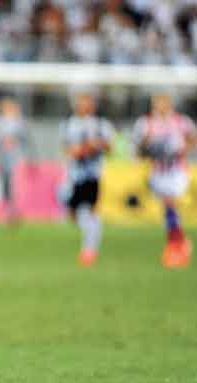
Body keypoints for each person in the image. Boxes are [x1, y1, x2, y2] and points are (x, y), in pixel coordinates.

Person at [133, 92, 197, 268]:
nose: (161, 106)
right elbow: (138, 151)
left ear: (169, 104)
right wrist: (146, 146)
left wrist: (183, 149)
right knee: (168, 209)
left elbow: (193, 139)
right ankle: (180, 243)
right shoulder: (145, 123)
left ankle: (175, 246)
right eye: (157, 103)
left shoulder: (180, 121)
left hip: (176, 171)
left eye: (164, 103)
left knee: (170, 204)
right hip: (157, 172)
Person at [60, 91, 113, 266]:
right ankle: (92, 236)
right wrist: (83, 148)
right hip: (74, 175)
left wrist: (98, 145)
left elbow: (110, 147)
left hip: (92, 174)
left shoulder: (101, 124)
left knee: (89, 210)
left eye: (87, 101)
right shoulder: (69, 124)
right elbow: (67, 149)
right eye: (81, 101)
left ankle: (89, 249)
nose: (85, 105)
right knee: (73, 213)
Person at [0, 97, 31, 223]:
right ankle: (9, 211)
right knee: (6, 187)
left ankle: (13, 212)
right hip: (3, 160)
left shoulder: (19, 122)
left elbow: (25, 139)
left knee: (15, 186)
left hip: (16, 160)